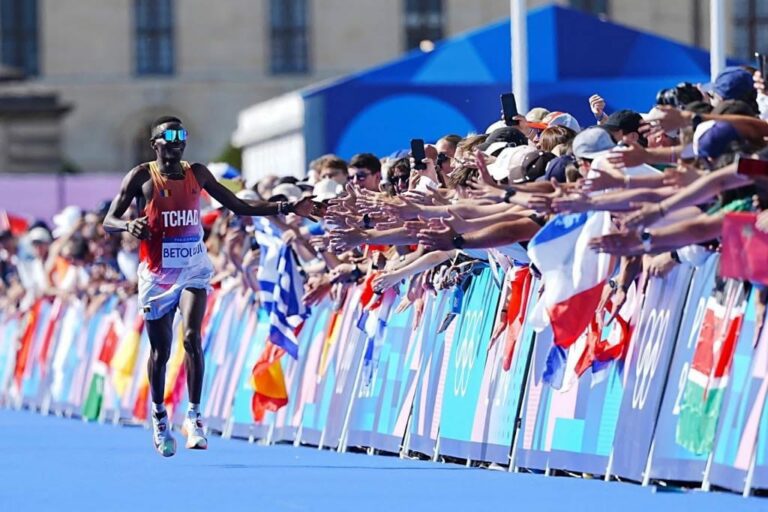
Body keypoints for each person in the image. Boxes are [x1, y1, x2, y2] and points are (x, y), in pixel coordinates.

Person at [102, 116, 317, 457]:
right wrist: (129, 226)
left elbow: (239, 205)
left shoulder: (197, 173)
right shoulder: (141, 176)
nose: (177, 141)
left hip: (193, 268)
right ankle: (159, 416)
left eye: (181, 135)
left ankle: (193, 415)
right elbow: (108, 220)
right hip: (157, 276)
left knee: (191, 337)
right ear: (155, 142)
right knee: (160, 352)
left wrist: (287, 205)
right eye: (169, 136)